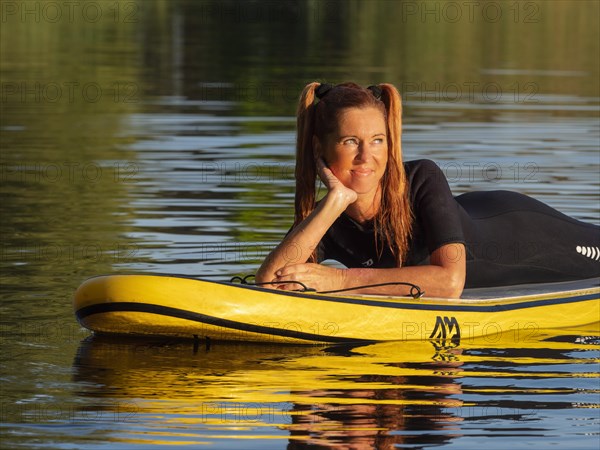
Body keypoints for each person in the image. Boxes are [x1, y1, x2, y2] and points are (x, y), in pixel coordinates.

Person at [256, 82, 600, 298]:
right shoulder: (327, 216)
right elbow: (269, 284)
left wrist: (341, 281)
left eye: (378, 141)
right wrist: (335, 202)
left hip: (526, 235)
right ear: (320, 149)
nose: (366, 156)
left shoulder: (421, 178)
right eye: (350, 142)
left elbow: (450, 282)